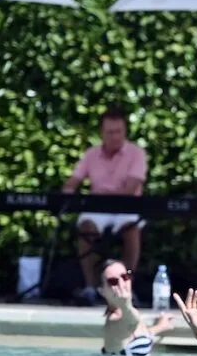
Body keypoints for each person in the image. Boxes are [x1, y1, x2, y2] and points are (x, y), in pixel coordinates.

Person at [62, 106, 148, 305]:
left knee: (132, 229)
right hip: (97, 208)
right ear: (102, 133)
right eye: (110, 132)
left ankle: (126, 288)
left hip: (126, 208)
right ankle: (90, 287)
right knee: (85, 227)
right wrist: (66, 195)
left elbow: (131, 188)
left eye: (119, 131)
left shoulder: (136, 153)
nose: (115, 136)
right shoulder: (91, 154)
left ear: (125, 131)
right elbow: (73, 181)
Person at [99, 259, 173, 356]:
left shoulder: (128, 311)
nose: (122, 284)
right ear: (102, 291)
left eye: (125, 276)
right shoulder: (113, 322)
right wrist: (125, 304)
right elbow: (132, 323)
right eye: (113, 281)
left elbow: (138, 333)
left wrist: (160, 326)